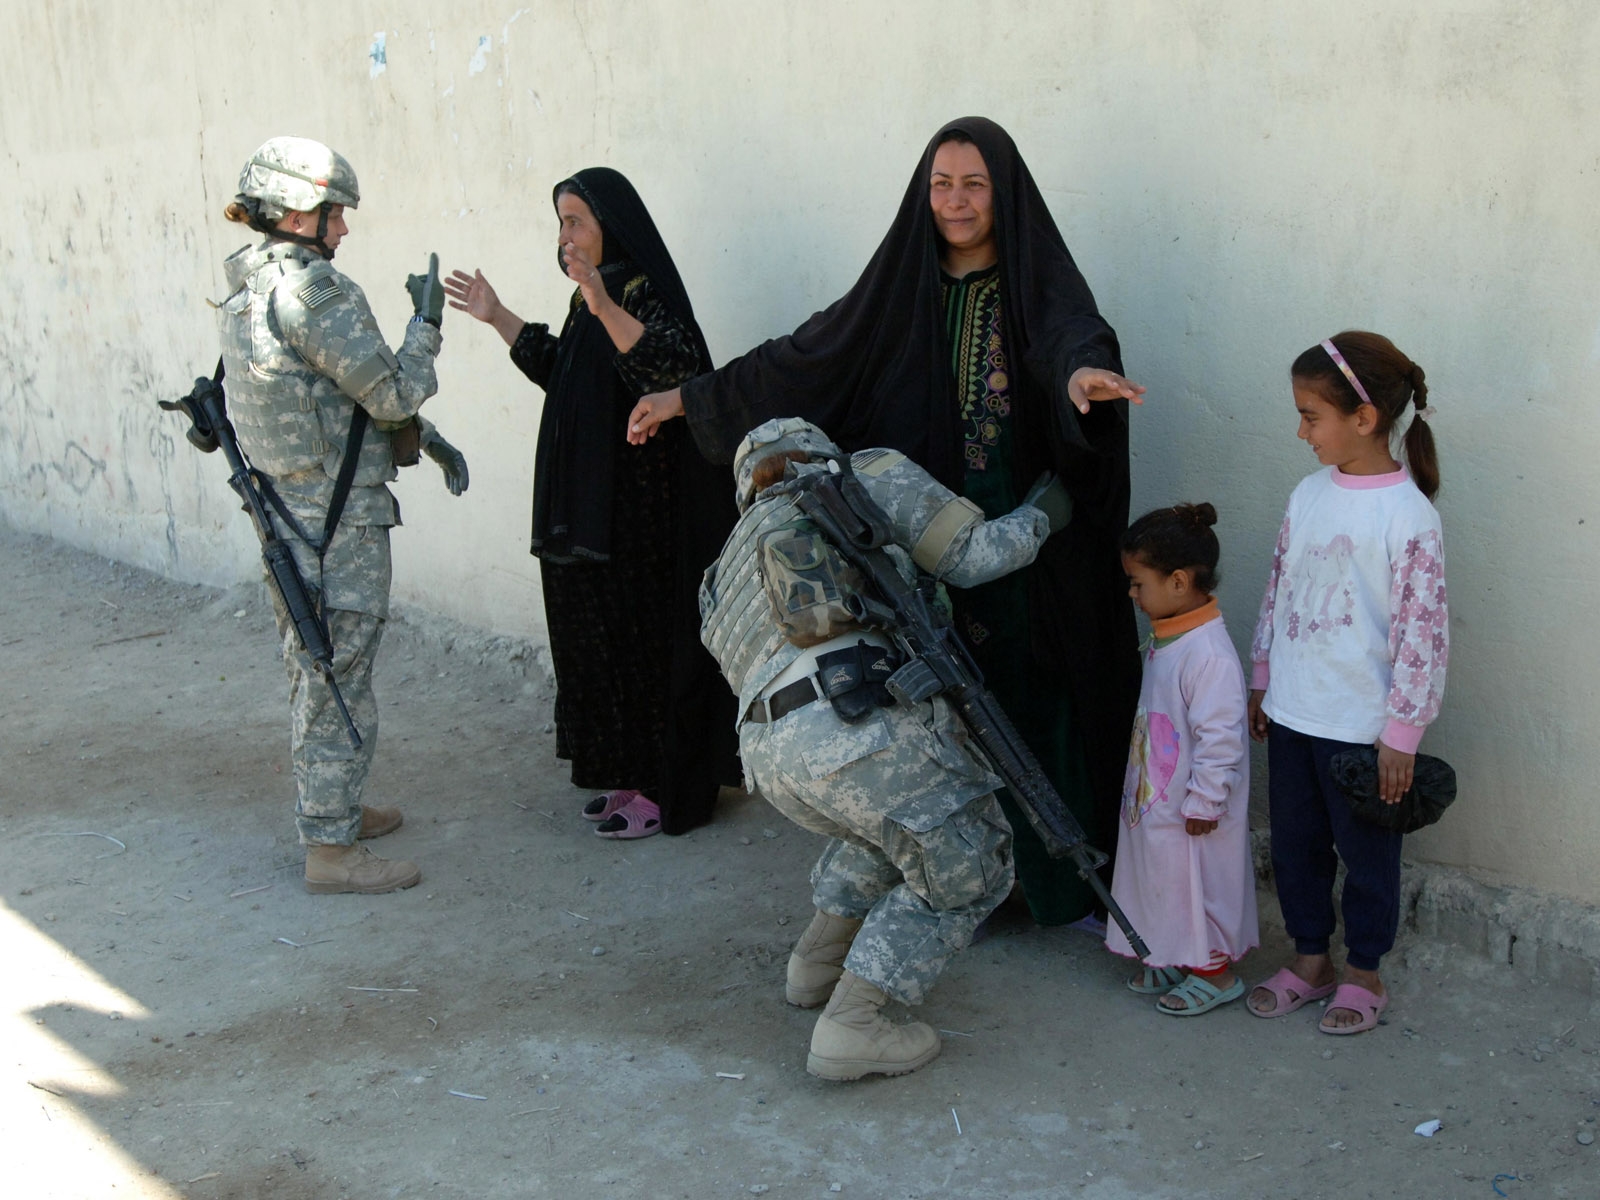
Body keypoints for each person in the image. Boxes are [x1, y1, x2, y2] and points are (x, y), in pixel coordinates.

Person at [627, 117, 1144, 924]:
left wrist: (1082, 378)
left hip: (1020, 536)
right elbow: (805, 355)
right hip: (920, 535)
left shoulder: (1037, 286)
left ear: (1003, 193)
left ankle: (1046, 885)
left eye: (974, 185)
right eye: (942, 184)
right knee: (940, 712)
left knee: (1029, 697)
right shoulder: (901, 286)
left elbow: (1070, 338)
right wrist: (689, 399)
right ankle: (959, 878)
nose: (957, 201)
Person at [700, 417, 1070, 1080]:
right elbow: (975, 556)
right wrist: (1046, 512)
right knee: (971, 863)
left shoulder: (727, 559)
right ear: (817, 450)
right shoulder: (857, 475)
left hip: (767, 751)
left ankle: (813, 968)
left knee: (886, 834)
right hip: (851, 719)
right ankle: (855, 1024)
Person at [442, 168, 738, 838]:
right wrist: (498, 317)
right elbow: (563, 372)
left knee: (647, 647)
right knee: (604, 651)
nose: (564, 235)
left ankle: (670, 791)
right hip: (589, 514)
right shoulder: (589, 301)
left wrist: (603, 304)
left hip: (642, 515)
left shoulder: (638, 296)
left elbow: (672, 366)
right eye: (561, 222)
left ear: (611, 225)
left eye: (575, 220)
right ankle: (632, 776)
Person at [218, 136, 469, 894]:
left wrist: (422, 443)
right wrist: (426, 327)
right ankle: (331, 848)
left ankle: (334, 808)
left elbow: (327, 398)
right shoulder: (315, 292)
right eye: (336, 213)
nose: (345, 230)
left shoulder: (247, 288)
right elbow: (389, 393)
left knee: (316, 665)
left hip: (292, 517)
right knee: (340, 672)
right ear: (301, 211)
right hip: (336, 523)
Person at [1245, 331, 1448, 1035]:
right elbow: (1279, 585)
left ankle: (1364, 970)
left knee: (1366, 859)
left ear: (1364, 418)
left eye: (1311, 415)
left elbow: (1422, 634)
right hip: (1294, 713)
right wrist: (1262, 676)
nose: (1301, 431)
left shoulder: (1409, 516)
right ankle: (1310, 959)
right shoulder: (1308, 494)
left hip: (1363, 732)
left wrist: (1403, 734)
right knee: (1296, 846)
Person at [1106, 504, 1258, 1014]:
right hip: (1158, 802)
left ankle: (1215, 973)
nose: (1131, 594)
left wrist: (1205, 801)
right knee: (1162, 879)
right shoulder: (1169, 639)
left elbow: (1221, 737)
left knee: (1198, 887)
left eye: (1137, 583)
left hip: (1194, 813)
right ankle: (1174, 952)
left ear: (1177, 582)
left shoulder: (1207, 654)